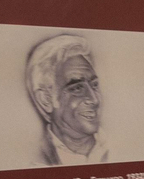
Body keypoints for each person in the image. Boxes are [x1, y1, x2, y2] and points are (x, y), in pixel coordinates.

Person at [26, 34, 110, 166]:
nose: (94, 99)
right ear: (45, 100)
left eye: (94, 85)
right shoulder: (33, 161)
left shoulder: (120, 148)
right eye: (77, 88)